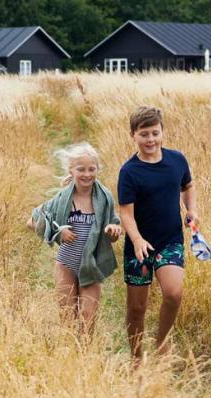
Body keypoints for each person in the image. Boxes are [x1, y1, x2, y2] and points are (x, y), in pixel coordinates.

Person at [118, 106, 199, 361]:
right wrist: (137, 239)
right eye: (144, 134)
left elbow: (188, 186)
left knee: (174, 294)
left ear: (162, 132)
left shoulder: (177, 160)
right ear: (133, 135)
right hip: (139, 246)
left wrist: (191, 210)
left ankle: (162, 344)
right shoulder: (129, 172)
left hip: (170, 240)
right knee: (136, 308)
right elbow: (126, 214)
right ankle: (136, 357)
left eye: (155, 133)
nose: (150, 139)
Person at [27, 143, 121, 334]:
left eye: (91, 169)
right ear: (71, 170)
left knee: (88, 317)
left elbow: (114, 226)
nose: (87, 174)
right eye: (81, 169)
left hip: (91, 265)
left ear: (97, 169)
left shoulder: (105, 198)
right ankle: (71, 358)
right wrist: (58, 232)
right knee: (68, 316)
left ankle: (86, 357)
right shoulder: (62, 199)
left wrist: (113, 230)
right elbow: (32, 221)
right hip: (66, 264)